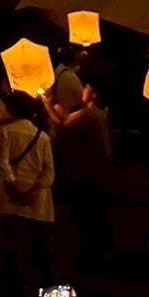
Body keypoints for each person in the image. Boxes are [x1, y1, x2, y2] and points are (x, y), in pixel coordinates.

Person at [0, 90, 55, 289]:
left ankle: (13, 283)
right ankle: (47, 286)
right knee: (39, 242)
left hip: (10, 195)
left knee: (12, 241)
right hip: (37, 199)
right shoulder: (42, 136)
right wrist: (33, 190)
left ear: (13, 109)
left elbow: (3, 163)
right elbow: (49, 171)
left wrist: (13, 185)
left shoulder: (7, 131)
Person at [58, 79, 113, 274]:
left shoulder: (89, 113)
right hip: (99, 171)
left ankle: (90, 260)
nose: (83, 91)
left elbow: (65, 122)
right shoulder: (102, 114)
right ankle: (99, 254)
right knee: (97, 216)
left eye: (86, 88)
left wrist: (48, 101)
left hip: (89, 173)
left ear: (94, 94)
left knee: (87, 217)